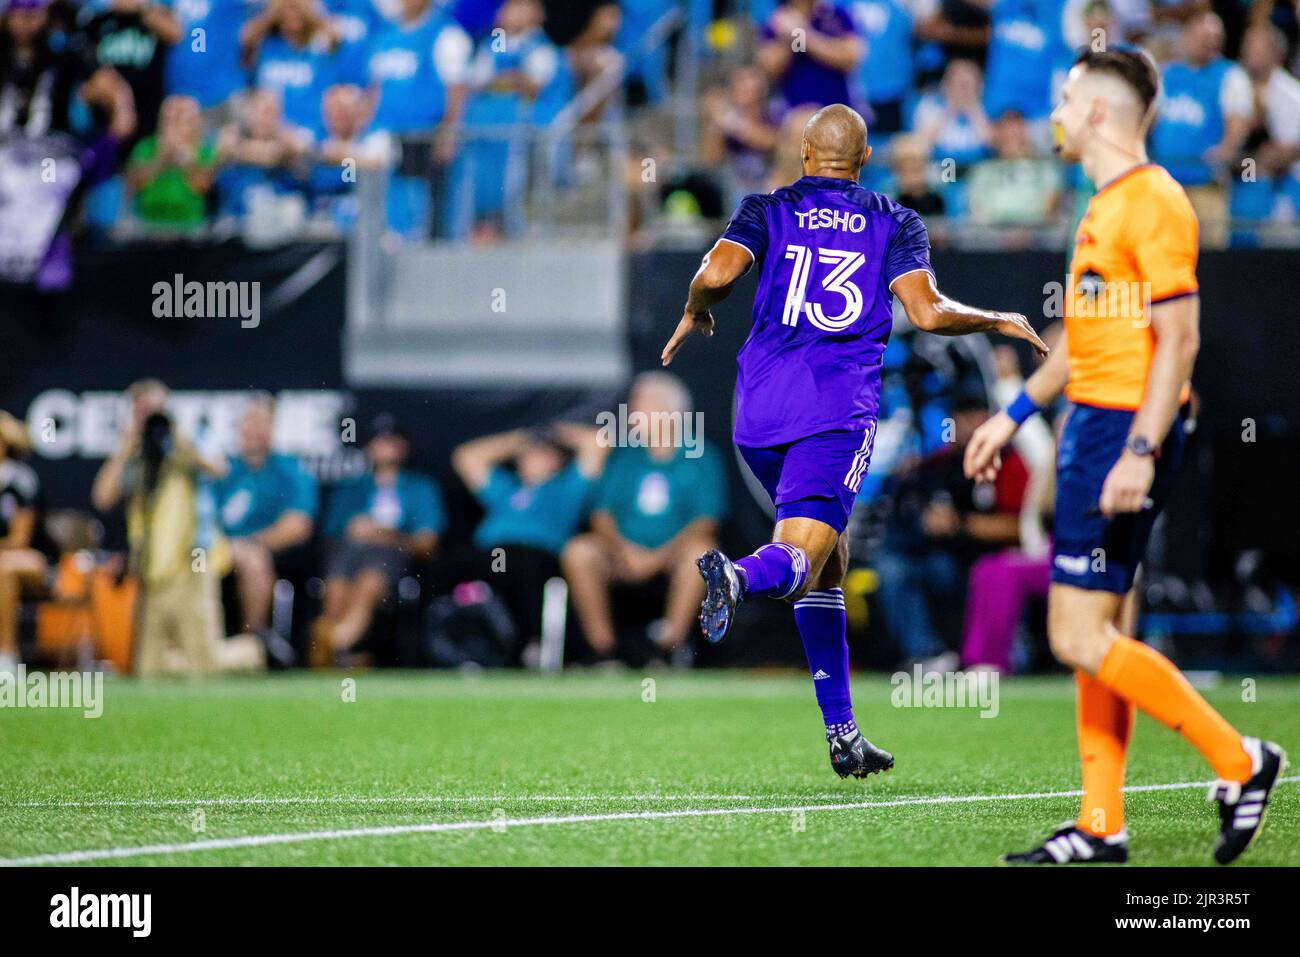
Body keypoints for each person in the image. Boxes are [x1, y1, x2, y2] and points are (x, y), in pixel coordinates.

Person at [965, 48, 1286, 865]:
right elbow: (1084, 335)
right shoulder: (1103, 201)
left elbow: (1180, 340)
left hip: (1121, 434)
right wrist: (1015, 411)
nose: (1058, 112)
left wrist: (1139, 448)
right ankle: (1100, 824)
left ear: (1100, 113)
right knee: (1093, 629)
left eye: (1069, 98)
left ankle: (1243, 761)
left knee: (1076, 633)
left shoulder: (1154, 201)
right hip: (1092, 430)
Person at [659, 103, 1047, 779]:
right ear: (864, 159)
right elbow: (927, 311)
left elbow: (716, 276)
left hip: (757, 415)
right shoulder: (893, 219)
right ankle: (737, 574)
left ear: (806, 155)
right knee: (801, 558)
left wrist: (695, 307)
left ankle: (843, 734)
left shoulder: (766, 206)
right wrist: (996, 318)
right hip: (832, 412)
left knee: (827, 562)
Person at [91, 380, 266, 676]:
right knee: (148, 670)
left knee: (205, 665)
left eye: (153, 411)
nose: (148, 418)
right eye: (140, 411)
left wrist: (181, 444)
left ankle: (251, 652)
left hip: (192, 563)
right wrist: (126, 448)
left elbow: (219, 469)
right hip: (151, 571)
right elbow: (102, 497)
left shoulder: (193, 440)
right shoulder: (135, 455)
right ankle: (233, 654)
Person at [560, 373, 726, 664]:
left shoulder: (702, 455)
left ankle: (666, 650)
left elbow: (706, 521)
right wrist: (621, 551)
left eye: (642, 405)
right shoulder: (626, 457)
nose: (632, 412)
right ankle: (603, 652)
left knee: (703, 551)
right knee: (579, 551)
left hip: (673, 557)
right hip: (621, 556)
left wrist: (658, 557)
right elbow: (601, 514)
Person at [875, 394, 1029, 671]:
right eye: (965, 417)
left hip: (991, 559)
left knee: (986, 572)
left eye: (979, 417)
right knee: (894, 567)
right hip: (941, 556)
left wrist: (959, 524)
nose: (972, 425)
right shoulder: (935, 464)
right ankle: (928, 655)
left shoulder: (1009, 461)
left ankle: (1007, 648)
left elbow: (1022, 528)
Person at [450, 423, 603, 652]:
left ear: (557, 460)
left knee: (524, 566)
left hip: (536, 558)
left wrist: (555, 432)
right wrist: (520, 438)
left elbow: (597, 443)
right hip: (493, 556)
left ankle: (531, 644)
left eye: (542, 453)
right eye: (529, 454)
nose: (532, 458)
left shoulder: (568, 488)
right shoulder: (507, 487)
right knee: (449, 565)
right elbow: (465, 456)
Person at [313, 415, 445, 665]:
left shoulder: (421, 487)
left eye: (391, 441)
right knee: (337, 582)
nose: (384, 447)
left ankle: (334, 641)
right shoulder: (350, 488)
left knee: (369, 581)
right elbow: (329, 537)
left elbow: (427, 544)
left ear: (404, 447)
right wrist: (354, 531)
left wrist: (381, 534)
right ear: (368, 447)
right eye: (379, 441)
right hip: (347, 553)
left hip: (393, 555)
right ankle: (338, 650)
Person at [216, 395, 316, 654]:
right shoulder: (223, 470)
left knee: (253, 560)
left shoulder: (290, 470)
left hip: (266, 552)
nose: (253, 429)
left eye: (260, 422)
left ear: (272, 427)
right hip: (216, 549)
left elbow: (298, 525)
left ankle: (252, 644)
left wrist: (251, 543)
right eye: (248, 421)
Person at [1149, 12, 1252, 247]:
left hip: (1206, 184)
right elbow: (1149, 119)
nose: (1209, 41)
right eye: (1203, 35)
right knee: (1162, 249)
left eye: (1216, 37)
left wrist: (1223, 152)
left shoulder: (1229, 74)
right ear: (1186, 36)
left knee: (1208, 254)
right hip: (1166, 183)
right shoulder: (1167, 73)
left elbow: (1239, 123)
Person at [125, 93, 217, 231]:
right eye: (169, 120)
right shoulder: (146, 146)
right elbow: (133, 184)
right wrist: (161, 159)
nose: (173, 126)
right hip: (148, 227)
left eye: (180, 120)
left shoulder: (205, 151)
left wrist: (185, 159)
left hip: (190, 228)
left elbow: (203, 185)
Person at [757, 0, 863, 117]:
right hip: (796, 116)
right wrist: (791, 35)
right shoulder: (776, 21)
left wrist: (801, 32)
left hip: (839, 113)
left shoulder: (836, 15)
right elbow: (771, 69)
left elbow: (851, 58)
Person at [0, 412, 46, 675]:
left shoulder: (19, 479)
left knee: (4, 567)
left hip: (34, 559)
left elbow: (20, 540)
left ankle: (6, 656)